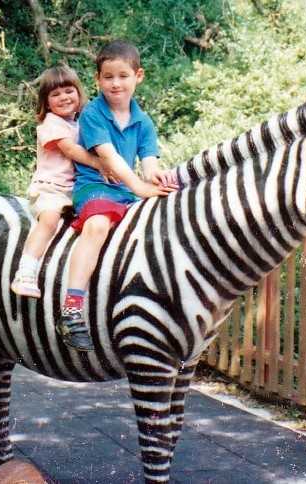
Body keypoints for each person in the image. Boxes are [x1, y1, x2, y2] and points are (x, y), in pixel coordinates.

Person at [57, 40, 178, 351]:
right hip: (96, 187)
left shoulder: (143, 121)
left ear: (138, 76)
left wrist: (158, 179)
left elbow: (149, 163)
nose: (115, 84)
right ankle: (71, 308)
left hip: (126, 191)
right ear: (97, 80)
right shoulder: (93, 114)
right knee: (97, 225)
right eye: (108, 77)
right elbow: (108, 157)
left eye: (123, 76)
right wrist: (139, 187)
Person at [11, 65, 111, 298]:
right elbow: (71, 150)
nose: (64, 97)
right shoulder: (51, 123)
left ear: (79, 93)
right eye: (55, 94)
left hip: (73, 190)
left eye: (69, 91)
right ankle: (25, 272)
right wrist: (100, 164)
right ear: (46, 103)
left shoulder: (80, 122)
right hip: (50, 189)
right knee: (49, 221)